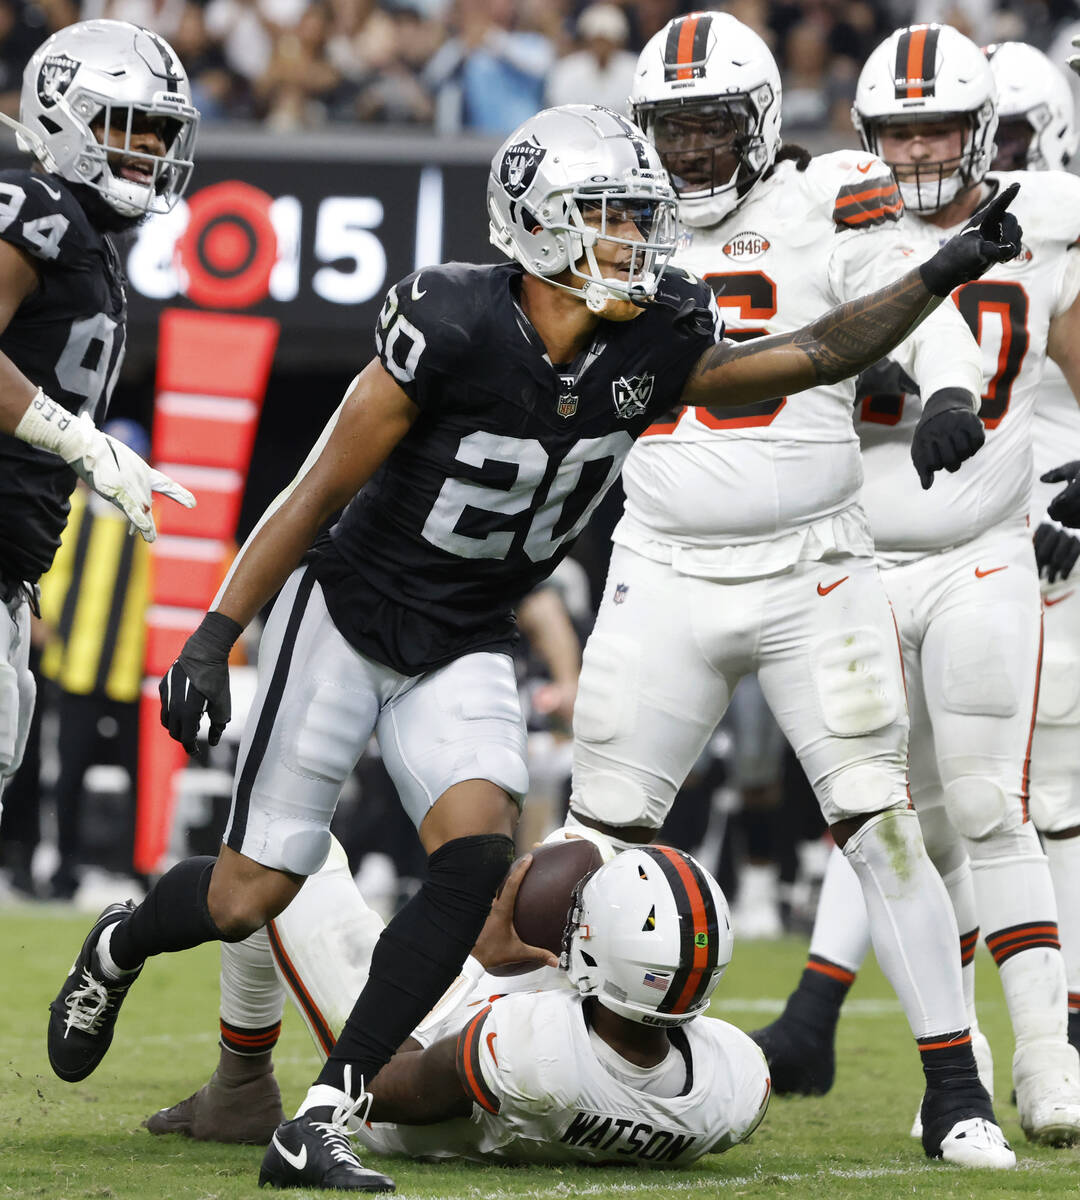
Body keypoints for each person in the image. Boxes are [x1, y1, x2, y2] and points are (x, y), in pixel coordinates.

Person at [47, 101, 1021, 1192]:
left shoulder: (654, 332)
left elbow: (805, 356)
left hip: (468, 633)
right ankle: (121, 944)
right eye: (607, 215)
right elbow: (318, 484)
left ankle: (326, 1110)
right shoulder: (453, 322)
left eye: (636, 216)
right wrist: (214, 631)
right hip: (354, 614)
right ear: (538, 225)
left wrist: (937, 277)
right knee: (245, 898)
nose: (634, 239)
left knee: (471, 867)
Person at [564, 13, 1007, 1165]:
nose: (696, 153)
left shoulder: (831, 197)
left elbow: (922, 294)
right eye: (674, 128)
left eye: (715, 128)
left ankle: (957, 1092)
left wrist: (953, 388)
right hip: (660, 562)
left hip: (814, 563)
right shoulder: (614, 210)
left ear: (759, 126)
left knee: (879, 820)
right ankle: (540, 1047)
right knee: (597, 831)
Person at [750, 25, 1080, 1148]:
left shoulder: (1047, 215)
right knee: (887, 827)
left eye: (938, 125)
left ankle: (1047, 1057)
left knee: (993, 804)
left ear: (984, 130)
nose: (918, 147)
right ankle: (966, 1071)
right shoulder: (826, 219)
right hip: (849, 565)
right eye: (896, 128)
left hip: (982, 547)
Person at [148, 839, 770, 1173]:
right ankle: (237, 1093)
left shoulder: (533, 1051)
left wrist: (470, 963)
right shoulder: (733, 1087)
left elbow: (383, 1082)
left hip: (406, 1088)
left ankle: (241, 1085)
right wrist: (517, 972)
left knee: (285, 854)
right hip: (519, 1053)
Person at [0, 19, 198, 814]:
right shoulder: (35, 204)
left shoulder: (91, 247)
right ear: (61, 113)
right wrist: (75, 437)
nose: (151, 148)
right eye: (131, 126)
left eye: (162, 132)